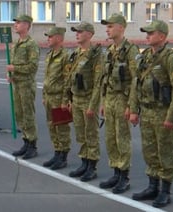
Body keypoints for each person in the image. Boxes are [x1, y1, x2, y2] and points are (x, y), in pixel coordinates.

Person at [129, 20, 173, 208]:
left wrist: (171, 116)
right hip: (147, 111)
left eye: (151, 33)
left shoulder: (170, 58)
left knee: (165, 153)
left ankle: (165, 191)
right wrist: (134, 109)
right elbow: (136, 84)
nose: (147, 36)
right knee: (149, 151)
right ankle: (152, 186)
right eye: (146, 33)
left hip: (162, 112)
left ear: (162, 36)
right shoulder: (145, 57)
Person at [99, 13, 139, 194]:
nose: (107, 29)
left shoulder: (131, 50)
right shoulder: (110, 50)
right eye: (106, 26)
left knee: (122, 138)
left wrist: (132, 106)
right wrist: (103, 100)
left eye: (110, 26)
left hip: (123, 99)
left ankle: (125, 176)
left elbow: (135, 80)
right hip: (110, 99)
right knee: (110, 138)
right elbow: (105, 78)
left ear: (121, 27)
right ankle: (115, 171)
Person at [65, 22, 103, 181]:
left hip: (88, 100)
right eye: (76, 32)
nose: (77, 34)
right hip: (76, 99)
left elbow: (97, 82)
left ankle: (92, 167)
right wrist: (69, 99)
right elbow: (69, 77)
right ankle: (84, 162)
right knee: (81, 134)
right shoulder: (75, 53)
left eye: (80, 32)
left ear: (89, 34)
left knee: (91, 134)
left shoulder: (95, 55)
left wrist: (93, 105)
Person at [6, 15, 40, 160]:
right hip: (16, 83)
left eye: (19, 23)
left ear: (27, 25)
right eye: (16, 22)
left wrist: (15, 68)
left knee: (28, 115)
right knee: (19, 114)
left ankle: (32, 145)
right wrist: (10, 73)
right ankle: (26, 141)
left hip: (26, 84)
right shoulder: (16, 43)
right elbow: (13, 63)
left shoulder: (31, 44)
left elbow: (33, 66)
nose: (16, 25)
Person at [42, 26, 71, 170]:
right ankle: (57, 152)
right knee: (51, 126)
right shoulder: (49, 55)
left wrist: (65, 100)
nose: (48, 39)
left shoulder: (65, 56)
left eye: (50, 36)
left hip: (59, 98)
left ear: (59, 38)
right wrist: (43, 95)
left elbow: (67, 80)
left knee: (61, 128)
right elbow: (47, 77)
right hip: (49, 97)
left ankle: (63, 156)